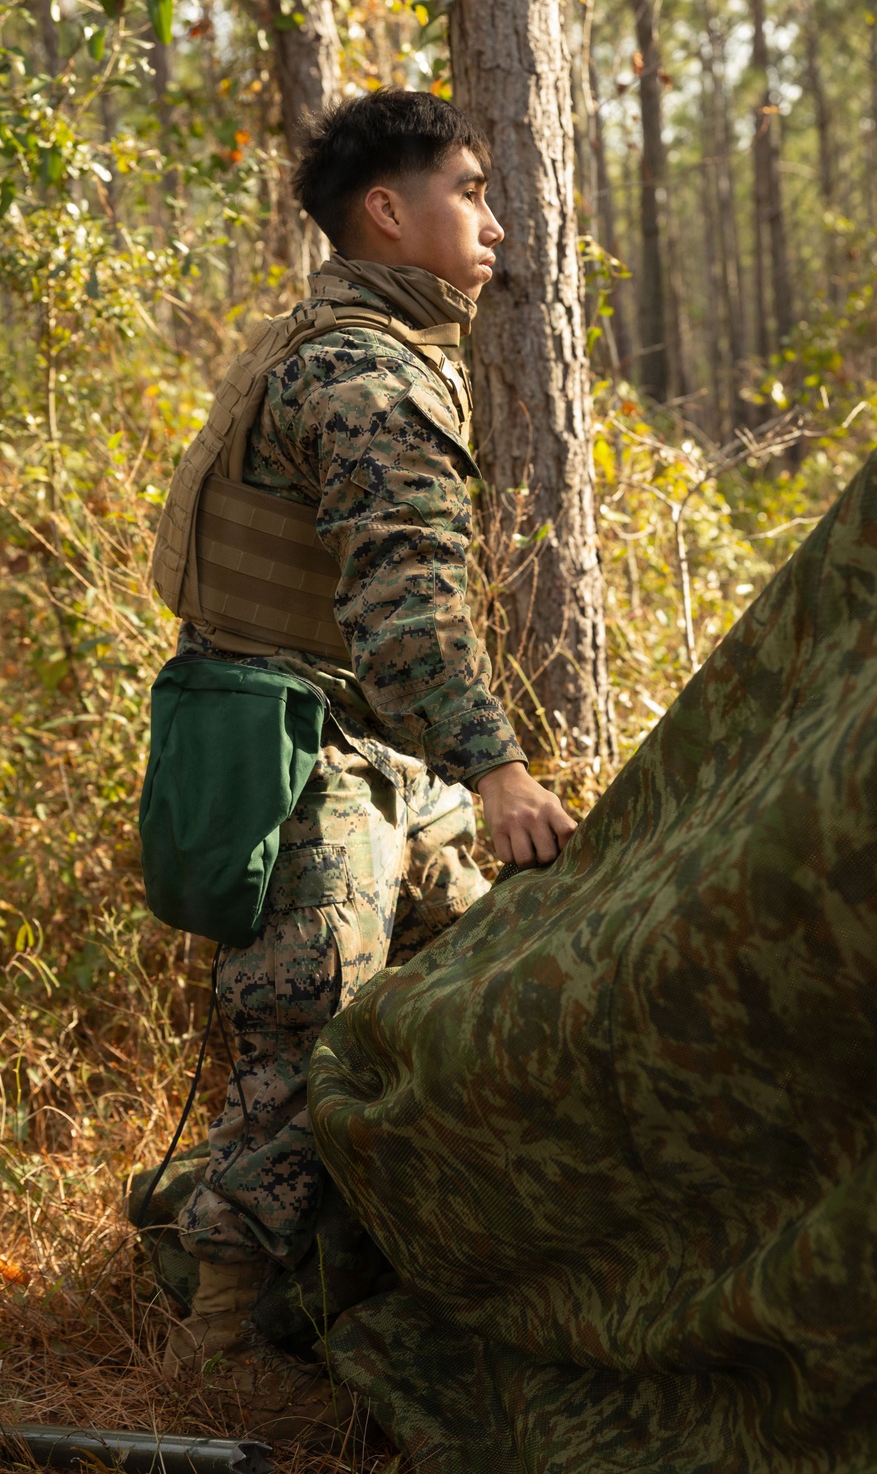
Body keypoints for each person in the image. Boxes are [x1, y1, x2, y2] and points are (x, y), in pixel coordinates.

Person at [157, 89, 576, 1436]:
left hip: (342, 743)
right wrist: (500, 773)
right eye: (470, 189)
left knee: (481, 975)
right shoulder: (368, 380)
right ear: (389, 213)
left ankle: (412, 1260)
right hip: (318, 757)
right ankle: (220, 1347)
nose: (496, 220)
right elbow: (407, 622)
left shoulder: (327, 343)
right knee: (307, 1029)